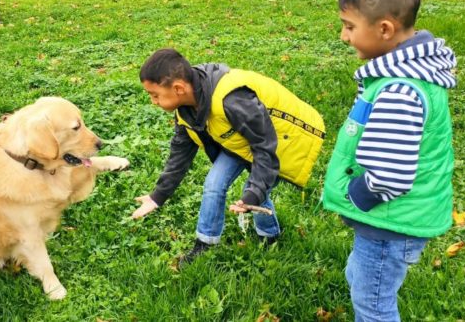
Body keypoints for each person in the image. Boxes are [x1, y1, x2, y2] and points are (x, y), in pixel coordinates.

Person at [322, 0, 458, 321]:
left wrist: (357, 195)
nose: (343, 36)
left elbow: (389, 175)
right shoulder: (408, 76)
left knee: (374, 304)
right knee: (363, 278)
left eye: (349, 26)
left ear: (384, 29)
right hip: (395, 219)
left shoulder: (399, 91)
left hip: (389, 223)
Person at [132, 49, 325, 266]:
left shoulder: (233, 100)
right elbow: (180, 153)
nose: (153, 101)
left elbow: (264, 146)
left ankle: (269, 236)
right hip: (239, 142)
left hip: (280, 140)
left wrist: (253, 193)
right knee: (213, 183)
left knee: (253, 192)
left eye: (154, 94)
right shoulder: (186, 109)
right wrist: (158, 196)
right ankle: (205, 244)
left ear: (178, 88)